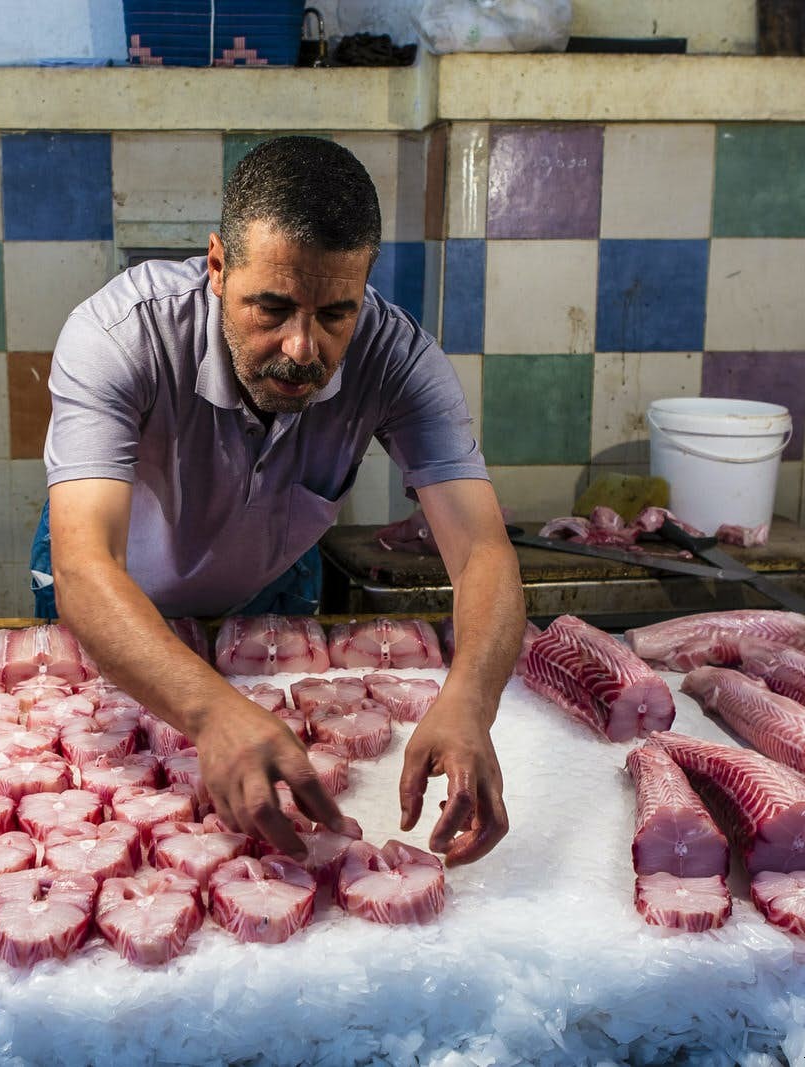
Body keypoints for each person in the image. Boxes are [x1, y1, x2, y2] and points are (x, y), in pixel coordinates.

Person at [33, 136, 525, 865]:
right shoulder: (120, 334)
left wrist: (471, 701)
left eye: (335, 314)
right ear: (217, 266)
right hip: (113, 589)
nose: (302, 348)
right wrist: (211, 712)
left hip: (271, 579)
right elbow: (84, 565)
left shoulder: (399, 358)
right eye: (272, 308)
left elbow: (482, 549)